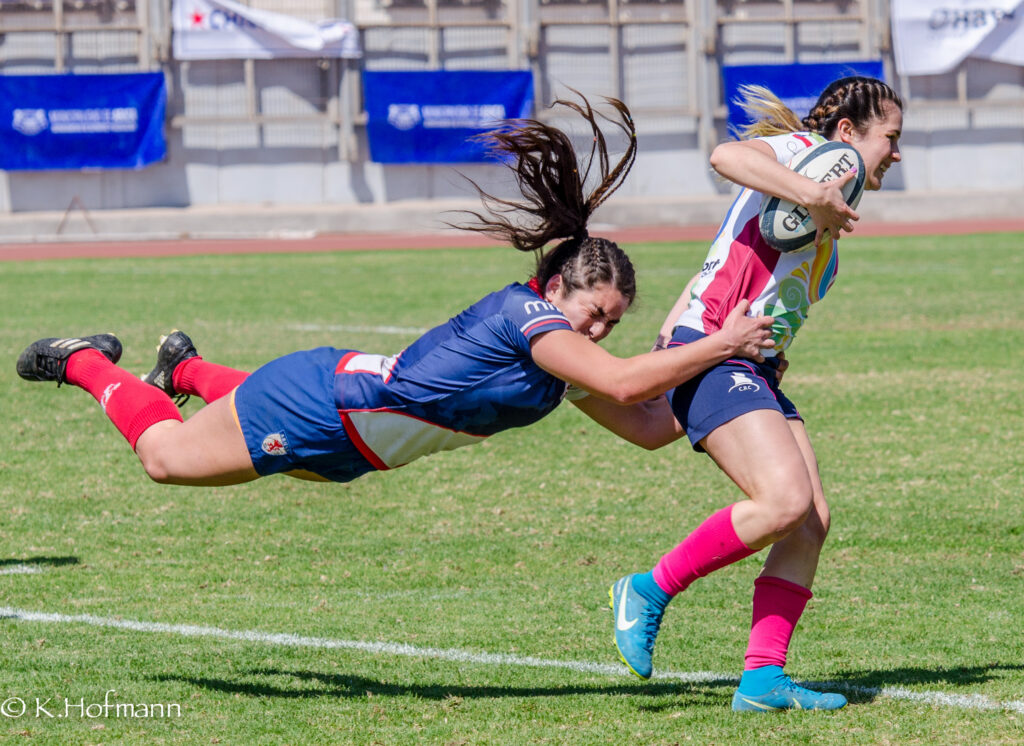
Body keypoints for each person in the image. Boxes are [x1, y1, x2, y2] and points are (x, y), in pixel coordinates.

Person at [17, 94, 774, 488]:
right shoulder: (529, 316)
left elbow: (647, 425)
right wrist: (719, 342)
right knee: (168, 460)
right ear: (554, 288)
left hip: (354, 433)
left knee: (226, 429)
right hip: (323, 406)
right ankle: (85, 360)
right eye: (594, 313)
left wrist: (728, 370)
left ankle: (183, 369)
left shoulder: (560, 366)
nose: (600, 332)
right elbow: (622, 379)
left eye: (612, 323)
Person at [609, 76, 904, 712]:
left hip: (751, 365)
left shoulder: (821, 222)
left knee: (808, 520)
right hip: (717, 352)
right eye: (892, 137)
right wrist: (814, 192)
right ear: (848, 135)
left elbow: (719, 263)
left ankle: (763, 678)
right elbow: (725, 157)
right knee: (782, 500)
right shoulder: (801, 155)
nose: (897, 153)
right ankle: (647, 589)